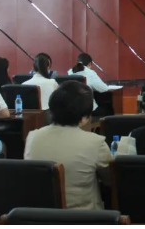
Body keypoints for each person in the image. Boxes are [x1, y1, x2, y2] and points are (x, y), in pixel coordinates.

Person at [24, 81, 112, 209]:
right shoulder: (95, 143)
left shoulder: (32, 137)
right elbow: (111, 180)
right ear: (84, 117)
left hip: (40, 215)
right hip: (83, 217)